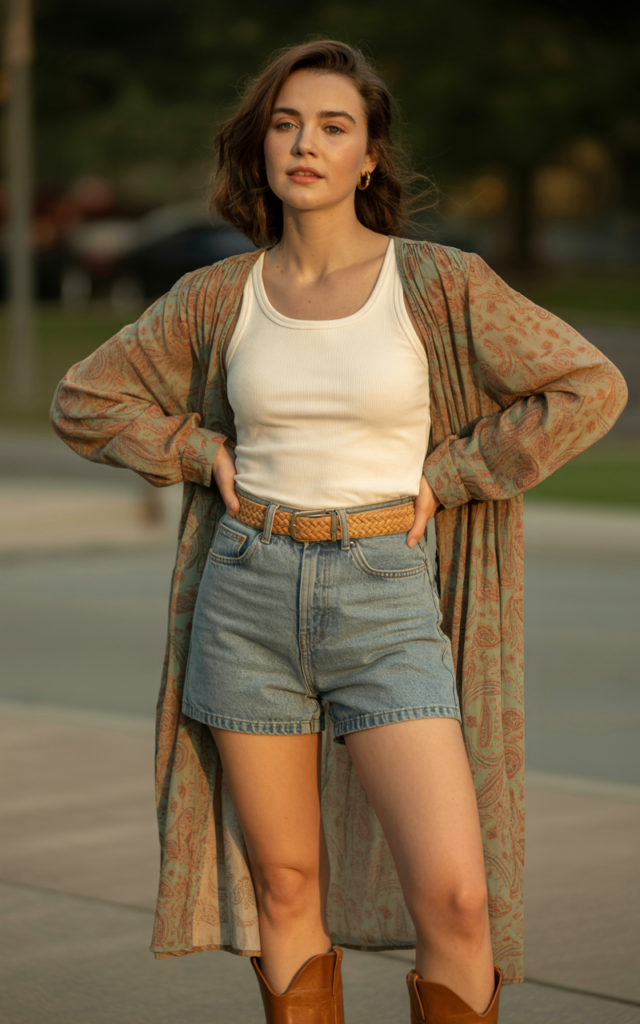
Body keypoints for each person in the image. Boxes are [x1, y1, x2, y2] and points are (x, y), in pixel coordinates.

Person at [51, 39, 627, 1024]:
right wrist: (196, 452)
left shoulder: (440, 284)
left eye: (332, 126)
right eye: (284, 124)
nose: (304, 145)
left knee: (454, 895)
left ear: (370, 157)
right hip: (246, 593)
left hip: (384, 596)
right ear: (259, 148)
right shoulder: (218, 296)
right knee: (283, 885)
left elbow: (587, 385)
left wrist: (452, 475)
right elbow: (84, 398)